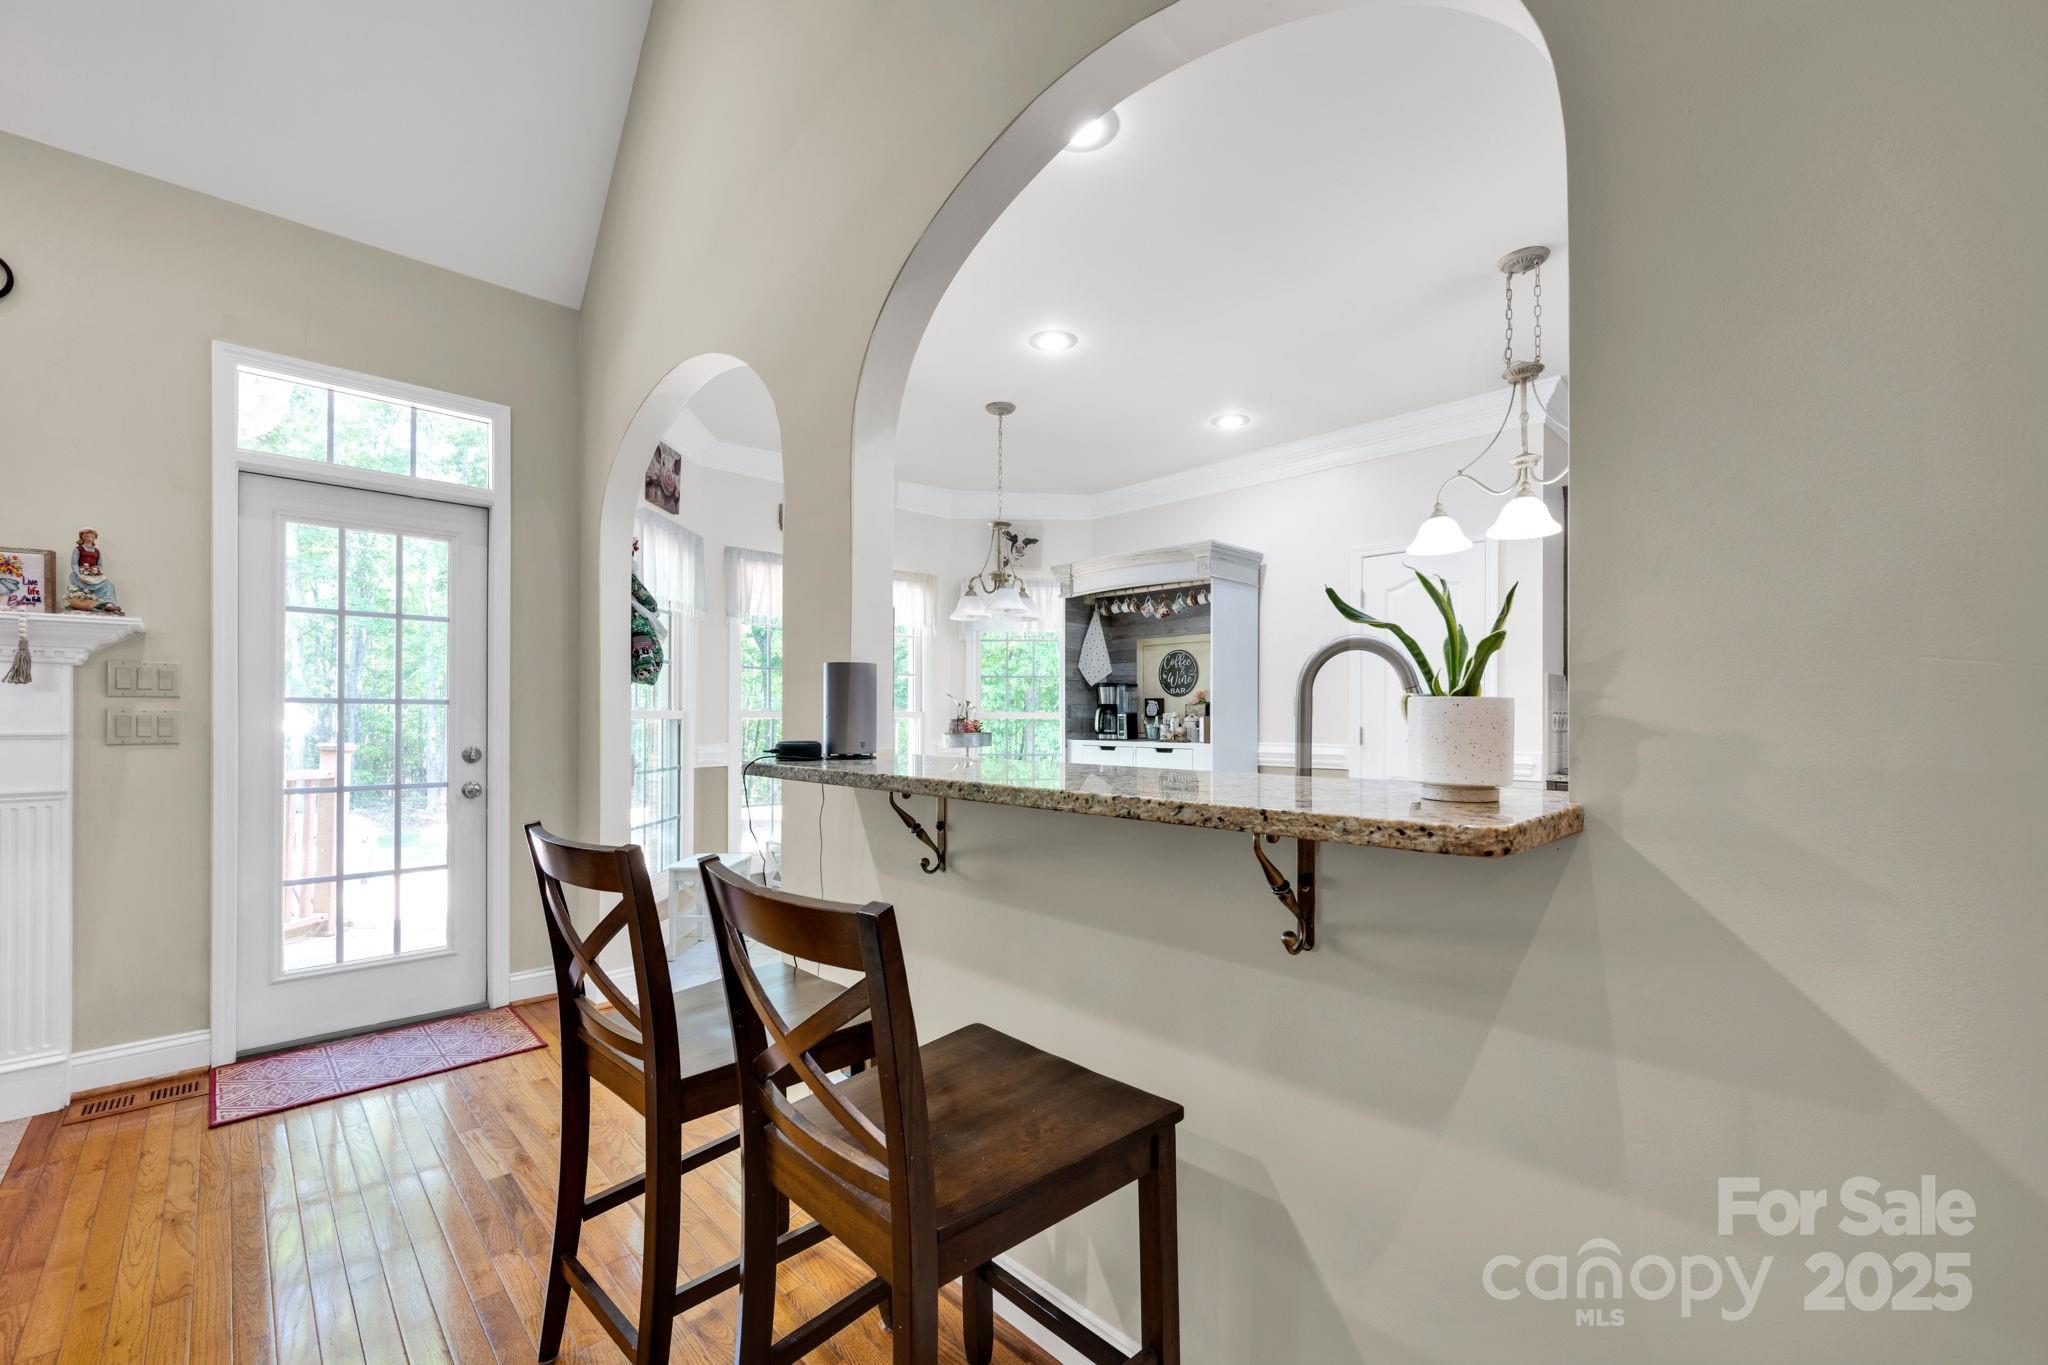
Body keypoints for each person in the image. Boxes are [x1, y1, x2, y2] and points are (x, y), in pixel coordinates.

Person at [66, 528, 123, 614]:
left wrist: (98, 573)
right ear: (82, 537)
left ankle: (108, 603)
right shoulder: (78, 549)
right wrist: (78, 574)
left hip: (94, 574)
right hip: (81, 574)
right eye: (87, 536)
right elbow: (74, 563)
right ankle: (88, 603)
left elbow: (99, 564)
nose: (89, 538)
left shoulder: (97, 551)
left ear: (94, 538)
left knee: (108, 583)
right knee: (82, 582)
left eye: (92, 537)